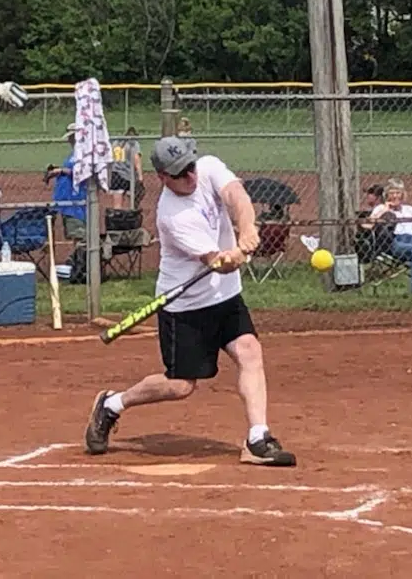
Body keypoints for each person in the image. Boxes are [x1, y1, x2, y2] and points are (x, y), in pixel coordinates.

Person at [83, 136, 296, 468]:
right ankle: (112, 404)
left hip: (225, 297)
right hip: (186, 308)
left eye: (190, 168)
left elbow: (236, 195)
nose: (191, 177)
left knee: (250, 351)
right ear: (163, 178)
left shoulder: (208, 167)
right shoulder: (172, 216)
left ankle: (257, 438)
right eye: (180, 173)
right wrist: (233, 256)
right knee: (180, 385)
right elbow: (217, 260)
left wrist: (247, 228)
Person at [44, 123, 88, 240]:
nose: (69, 139)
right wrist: (56, 170)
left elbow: (81, 172)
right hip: (66, 200)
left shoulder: (83, 153)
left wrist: (60, 171)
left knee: (78, 234)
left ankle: (81, 257)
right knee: (73, 233)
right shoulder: (73, 154)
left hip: (75, 200)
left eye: (71, 136)